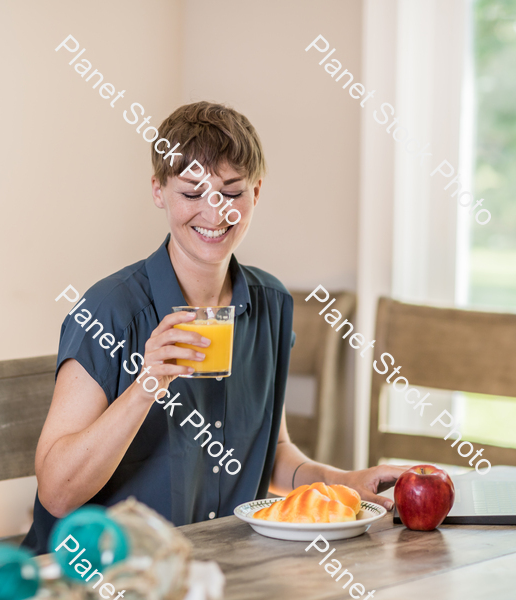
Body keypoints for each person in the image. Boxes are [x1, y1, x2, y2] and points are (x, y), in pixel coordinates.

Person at [22, 101, 406, 554]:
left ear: (256, 193)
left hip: (213, 568)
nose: (215, 211)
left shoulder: (271, 305)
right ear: (158, 191)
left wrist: (339, 481)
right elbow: (57, 493)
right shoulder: (110, 311)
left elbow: (272, 453)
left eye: (232, 191)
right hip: (99, 572)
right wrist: (147, 385)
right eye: (191, 193)